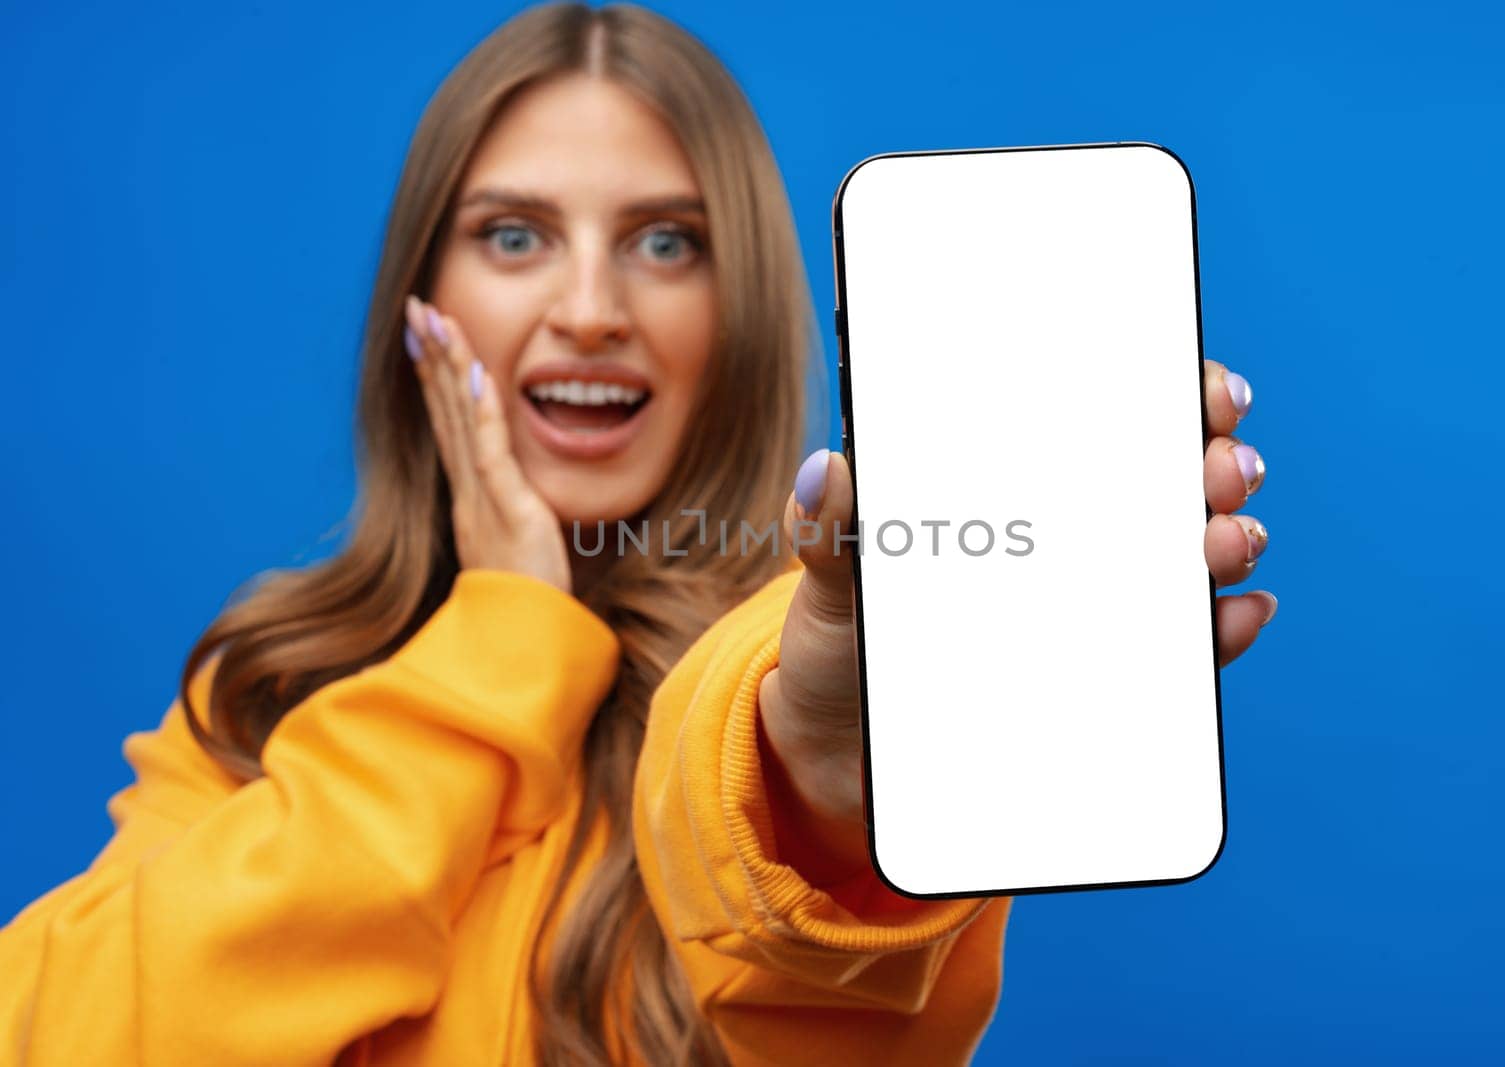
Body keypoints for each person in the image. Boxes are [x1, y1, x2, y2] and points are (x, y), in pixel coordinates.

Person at [0, 3, 1276, 1064]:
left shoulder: (840, 672)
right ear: (424, 292)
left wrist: (816, 775)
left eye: (666, 242)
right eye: (514, 235)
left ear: (742, 311)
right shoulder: (265, 697)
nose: (592, 308)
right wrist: (499, 635)